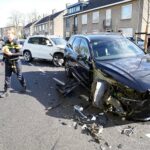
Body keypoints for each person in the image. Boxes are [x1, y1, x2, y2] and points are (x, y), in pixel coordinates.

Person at [0, 28, 26, 98]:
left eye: (10, 34)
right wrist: (2, 60)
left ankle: (24, 85)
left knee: (19, 76)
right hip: (8, 62)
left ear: (13, 34)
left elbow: (20, 53)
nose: (8, 35)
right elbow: (5, 52)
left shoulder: (16, 42)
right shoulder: (6, 42)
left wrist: (11, 54)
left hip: (16, 62)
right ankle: (6, 91)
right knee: (7, 77)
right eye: (7, 34)